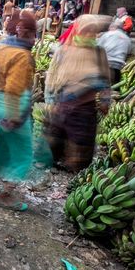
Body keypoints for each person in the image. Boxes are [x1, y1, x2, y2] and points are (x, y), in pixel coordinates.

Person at [0, 13, 37, 211]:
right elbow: (15, 88)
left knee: (0, 146)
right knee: (20, 153)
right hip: (13, 104)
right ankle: (6, 194)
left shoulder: (1, 45)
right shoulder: (22, 56)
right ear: (27, 32)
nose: (35, 39)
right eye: (34, 34)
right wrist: (15, 118)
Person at [45, 15, 111, 172]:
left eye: (93, 32)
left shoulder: (99, 52)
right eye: (86, 31)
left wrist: (105, 100)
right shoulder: (63, 50)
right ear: (77, 31)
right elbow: (52, 75)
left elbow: (105, 78)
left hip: (85, 107)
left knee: (82, 144)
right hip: (62, 104)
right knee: (54, 141)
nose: (89, 35)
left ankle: (77, 173)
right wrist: (50, 100)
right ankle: (52, 166)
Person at [97, 19, 132, 84]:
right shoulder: (127, 38)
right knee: (114, 86)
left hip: (105, 63)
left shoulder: (107, 34)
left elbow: (98, 47)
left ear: (114, 27)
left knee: (100, 85)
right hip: (118, 66)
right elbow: (129, 52)